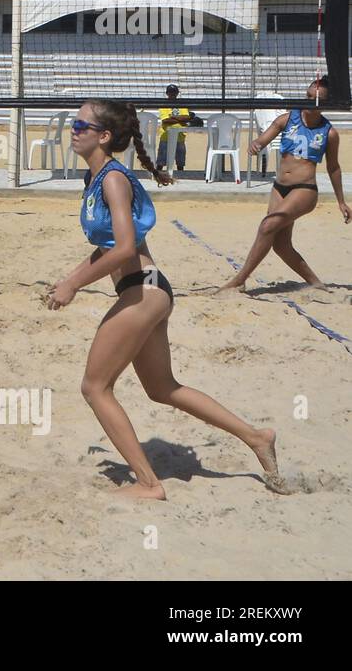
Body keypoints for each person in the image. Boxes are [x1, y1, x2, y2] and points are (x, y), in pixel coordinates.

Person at [46, 100, 285, 499]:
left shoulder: (112, 180)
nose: (73, 129)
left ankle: (148, 483)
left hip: (143, 289)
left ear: (103, 136)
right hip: (149, 289)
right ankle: (257, 436)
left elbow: (124, 249)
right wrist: (70, 277)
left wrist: (76, 286)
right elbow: (112, 247)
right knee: (162, 387)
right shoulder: (98, 178)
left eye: (79, 125)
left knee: (94, 387)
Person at [218, 76, 350, 292]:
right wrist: (256, 144)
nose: (308, 101)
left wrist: (341, 202)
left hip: (305, 190)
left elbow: (333, 168)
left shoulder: (329, 132)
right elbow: (264, 139)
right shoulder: (288, 118)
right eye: (307, 96)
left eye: (314, 98)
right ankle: (316, 284)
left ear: (325, 103)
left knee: (267, 226)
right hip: (279, 187)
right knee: (280, 245)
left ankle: (239, 279)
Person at [156, 84, 193, 173]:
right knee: (161, 159)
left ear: (177, 93)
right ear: (167, 93)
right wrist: (180, 119)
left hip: (180, 136)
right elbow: (166, 120)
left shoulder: (182, 104)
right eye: (170, 92)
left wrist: (173, 117)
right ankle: (158, 174)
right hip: (166, 136)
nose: (172, 94)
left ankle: (181, 175)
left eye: (174, 92)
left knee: (180, 160)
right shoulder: (164, 105)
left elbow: (187, 117)